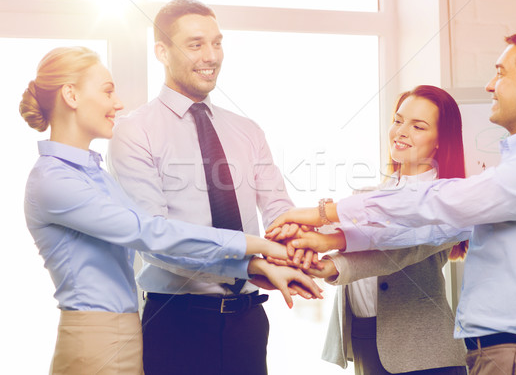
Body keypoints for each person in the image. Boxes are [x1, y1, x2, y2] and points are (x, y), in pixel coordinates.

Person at [267, 29, 516, 374]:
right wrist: (330, 239)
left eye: (500, 73)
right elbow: (418, 232)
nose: (489, 85)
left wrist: (322, 217)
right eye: (398, 120)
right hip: (498, 353)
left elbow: (428, 210)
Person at [19, 46, 320, 375]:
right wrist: (259, 245)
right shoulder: (53, 181)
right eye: (107, 91)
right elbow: (152, 234)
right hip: (93, 343)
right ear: (71, 95)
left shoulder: (95, 175)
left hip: (124, 333)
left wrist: (252, 267)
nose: (118, 104)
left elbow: (165, 237)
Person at [107, 0, 299, 375]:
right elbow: (156, 239)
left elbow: (278, 206)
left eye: (217, 42)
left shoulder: (246, 130)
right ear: (162, 51)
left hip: (249, 321)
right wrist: (251, 262)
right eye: (195, 44)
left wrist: (296, 241)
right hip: (178, 324)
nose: (211, 56)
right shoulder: (134, 131)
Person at [316, 85, 468, 374]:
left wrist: (327, 251)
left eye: (417, 126)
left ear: (440, 141)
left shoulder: (445, 198)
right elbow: (332, 234)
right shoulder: (368, 195)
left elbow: (392, 248)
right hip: (365, 342)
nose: (401, 132)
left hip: (424, 354)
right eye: (398, 120)